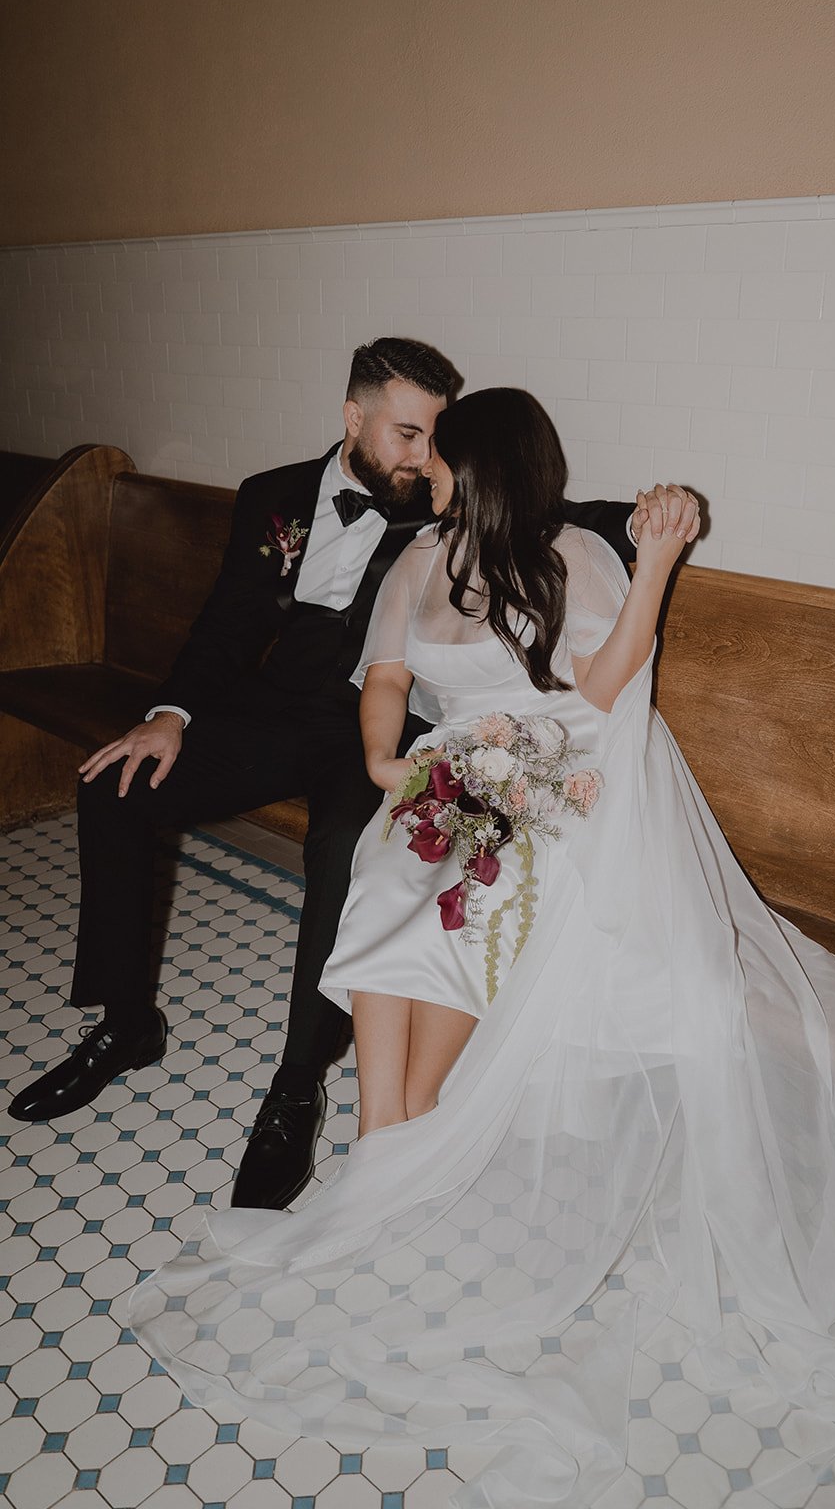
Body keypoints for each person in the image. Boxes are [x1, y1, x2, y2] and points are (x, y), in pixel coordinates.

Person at [131, 389, 835, 1509]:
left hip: (556, 788)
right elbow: (389, 680)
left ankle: (393, 1160)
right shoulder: (417, 560)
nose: (427, 475)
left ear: (485, 466)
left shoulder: (567, 558)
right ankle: (388, 1142)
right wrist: (381, 768)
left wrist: (654, 557)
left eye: (443, 461)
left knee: (459, 907)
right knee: (387, 886)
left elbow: (602, 690)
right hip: (447, 778)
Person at [8, 340, 673, 1213]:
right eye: (404, 433)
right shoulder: (271, 497)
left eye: (434, 438)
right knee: (115, 785)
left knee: (348, 850)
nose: (419, 456)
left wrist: (648, 520)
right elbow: (224, 627)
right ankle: (126, 1023)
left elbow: (534, 499)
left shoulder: (436, 500)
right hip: (274, 711)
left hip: (380, 723)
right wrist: (168, 716)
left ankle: (294, 1087)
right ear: (352, 419)